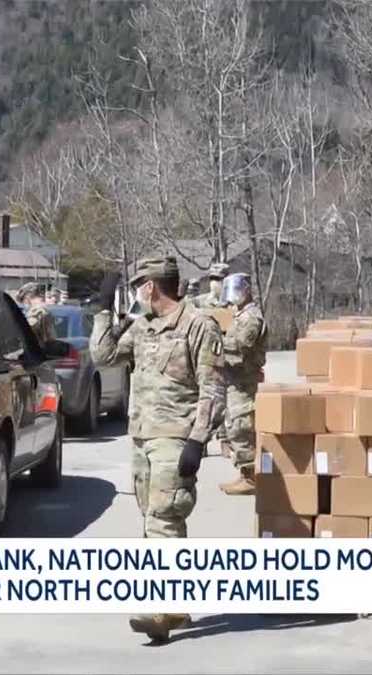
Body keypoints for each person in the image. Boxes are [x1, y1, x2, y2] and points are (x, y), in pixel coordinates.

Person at [90, 256, 225, 643]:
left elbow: (213, 388)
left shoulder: (198, 326)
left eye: (138, 286)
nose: (137, 293)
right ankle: (177, 604)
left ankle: (160, 609)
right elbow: (104, 356)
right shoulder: (142, 327)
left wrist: (199, 440)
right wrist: (102, 310)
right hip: (142, 438)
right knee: (156, 526)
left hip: (175, 439)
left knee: (163, 522)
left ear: (151, 287)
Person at [217, 273, 267, 496]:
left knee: (241, 427)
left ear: (245, 290)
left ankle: (252, 478)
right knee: (234, 425)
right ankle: (245, 474)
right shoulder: (238, 315)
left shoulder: (251, 318)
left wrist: (215, 341)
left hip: (244, 380)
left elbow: (240, 347)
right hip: (234, 379)